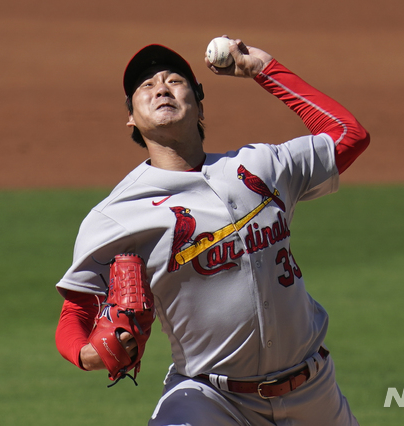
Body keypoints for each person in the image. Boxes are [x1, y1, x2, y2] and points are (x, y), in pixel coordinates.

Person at [55, 36, 370, 425]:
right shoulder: (117, 215)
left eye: (175, 81)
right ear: (131, 118)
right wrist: (86, 354)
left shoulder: (261, 166)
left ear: (200, 105)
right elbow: (77, 310)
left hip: (314, 391)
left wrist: (264, 70)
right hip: (209, 398)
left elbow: (348, 134)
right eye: (146, 86)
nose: (161, 88)